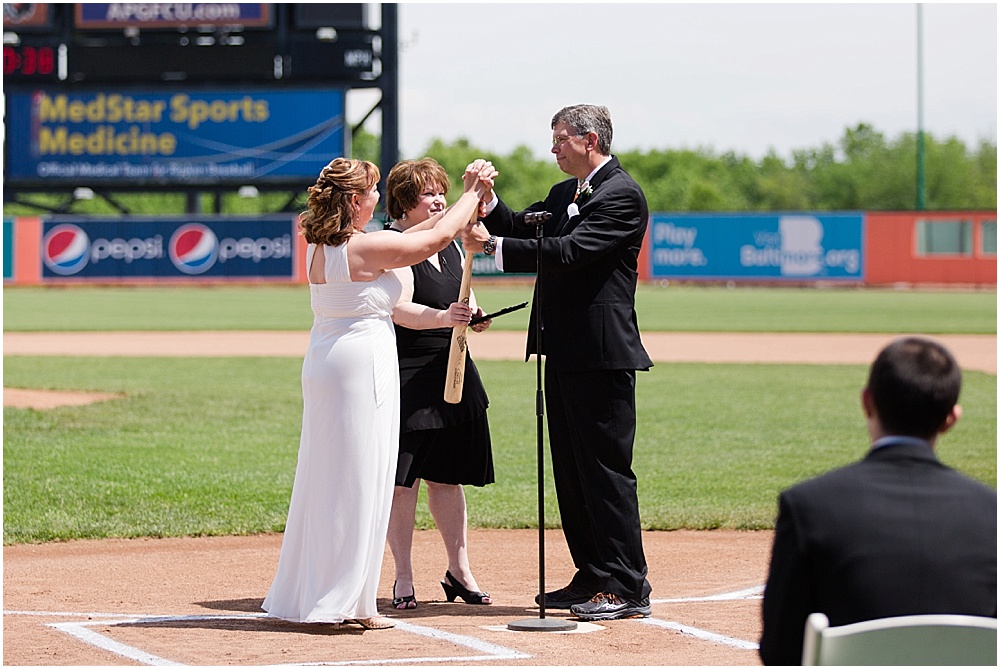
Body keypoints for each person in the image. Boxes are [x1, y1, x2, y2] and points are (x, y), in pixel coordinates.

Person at [262, 156, 497, 630]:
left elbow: (420, 234)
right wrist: (471, 194)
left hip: (332, 361)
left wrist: (460, 207)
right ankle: (345, 599)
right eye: (370, 193)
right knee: (360, 481)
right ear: (354, 202)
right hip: (359, 367)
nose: (377, 200)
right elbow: (428, 240)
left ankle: (341, 593)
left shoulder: (329, 245)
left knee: (336, 479)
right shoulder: (362, 248)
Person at [463, 104, 654, 621]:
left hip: (602, 353)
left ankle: (625, 584)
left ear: (589, 139)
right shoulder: (565, 193)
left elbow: (570, 251)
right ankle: (592, 574)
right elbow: (520, 224)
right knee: (570, 471)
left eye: (559, 139)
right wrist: (488, 202)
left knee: (605, 471)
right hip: (565, 349)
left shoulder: (621, 195)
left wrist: (495, 248)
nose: (553, 149)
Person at [758, 336, 997, 665]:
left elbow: (779, 651)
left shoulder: (809, 506)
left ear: (867, 402)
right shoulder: (991, 513)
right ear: (951, 418)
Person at [383, 158, 495, 610]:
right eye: (430, 194)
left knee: (448, 479)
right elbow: (398, 309)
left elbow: (463, 294)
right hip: (411, 373)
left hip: (454, 372)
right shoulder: (394, 245)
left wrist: (475, 315)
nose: (439, 200)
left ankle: (459, 570)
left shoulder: (448, 243)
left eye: (441, 192)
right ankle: (403, 576)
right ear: (406, 202)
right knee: (402, 482)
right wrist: (445, 319)